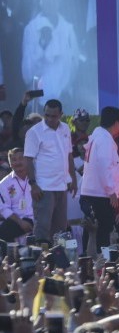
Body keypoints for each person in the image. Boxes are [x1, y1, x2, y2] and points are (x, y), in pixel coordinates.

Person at [23, 98, 76, 242]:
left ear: (61, 114)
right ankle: (40, 263)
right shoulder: (34, 132)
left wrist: (74, 180)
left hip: (62, 185)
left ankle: (56, 263)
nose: (50, 119)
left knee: (60, 230)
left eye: (54, 116)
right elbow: (28, 160)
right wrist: (33, 184)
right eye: (47, 115)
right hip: (43, 187)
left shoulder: (65, 128)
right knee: (42, 229)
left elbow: (69, 155)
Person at [21, 0, 80, 102]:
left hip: (64, 99)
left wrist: (64, 91)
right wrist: (42, 45)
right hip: (40, 102)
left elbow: (74, 67)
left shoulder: (68, 29)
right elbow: (27, 74)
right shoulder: (31, 29)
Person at [79, 106, 119, 252]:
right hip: (100, 196)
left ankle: (91, 265)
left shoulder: (96, 136)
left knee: (92, 232)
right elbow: (104, 166)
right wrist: (111, 191)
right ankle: (99, 268)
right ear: (116, 123)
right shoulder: (104, 139)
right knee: (102, 235)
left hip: (92, 193)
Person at [0, 148, 34, 242]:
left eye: (21, 158)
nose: (18, 162)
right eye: (14, 160)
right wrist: (20, 222)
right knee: (2, 233)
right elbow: (4, 208)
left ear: (27, 160)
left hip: (37, 217)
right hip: (17, 219)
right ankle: (11, 255)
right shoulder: (4, 184)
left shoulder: (37, 177)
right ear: (10, 164)